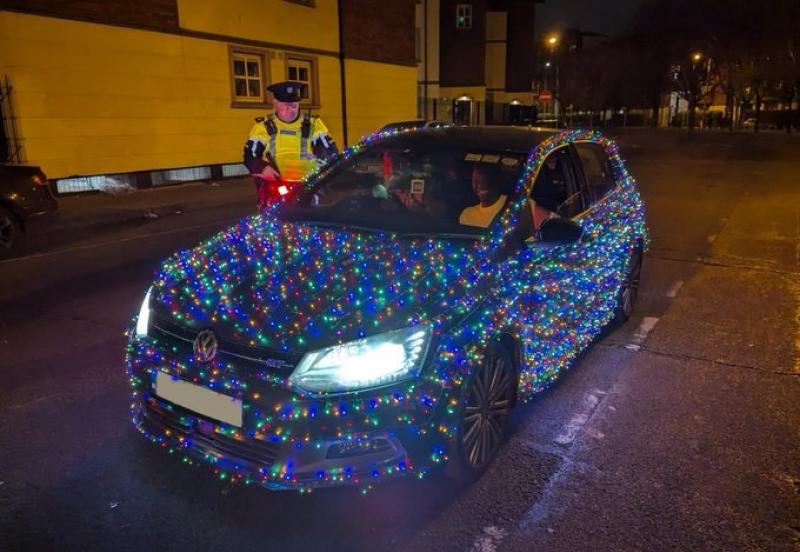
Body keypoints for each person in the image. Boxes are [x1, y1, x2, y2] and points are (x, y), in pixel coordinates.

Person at [243, 81, 338, 209]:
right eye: (285, 106)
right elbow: (250, 157)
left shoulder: (315, 125)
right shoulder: (262, 127)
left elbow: (331, 153)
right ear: (275, 103)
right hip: (276, 187)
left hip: (308, 186)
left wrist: (322, 168)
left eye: (294, 105)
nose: (290, 110)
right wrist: (262, 168)